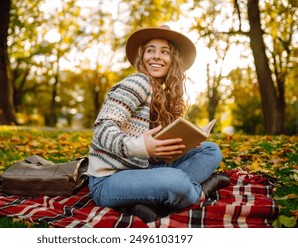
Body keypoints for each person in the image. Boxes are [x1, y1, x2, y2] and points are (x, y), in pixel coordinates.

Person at [87, 25, 230, 223]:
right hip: (109, 180)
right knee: (176, 181)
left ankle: (146, 202)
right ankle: (200, 191)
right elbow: (102, 130)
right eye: (150, 50)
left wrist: (180, 145)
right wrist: (142, 146)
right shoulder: (138, 82)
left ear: (174, 60)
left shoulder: (162, 94)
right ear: (142, 56)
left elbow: (150, 154)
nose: (156, 56)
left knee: (210, 150)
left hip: (142, 171)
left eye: (165, 52)